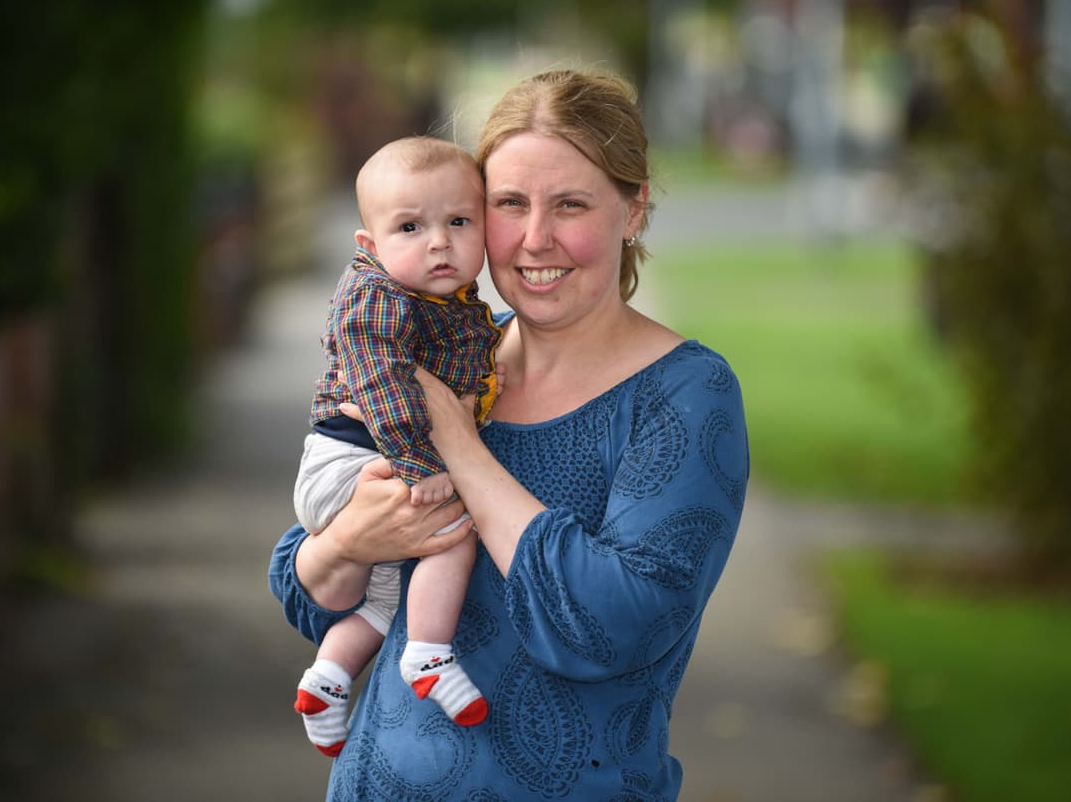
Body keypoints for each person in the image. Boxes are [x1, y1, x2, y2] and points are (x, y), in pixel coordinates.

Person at [270, 69, 749, 799]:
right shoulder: (450, 355)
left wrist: (457, 443)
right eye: (509, 204)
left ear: (634, 209)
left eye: (571, 205)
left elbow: (608, 627)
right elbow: (309, 593)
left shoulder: (685, 395)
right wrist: (345, 544)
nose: (534, 239)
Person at [290, 135, 500, 757]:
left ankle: (326, 684)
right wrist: (418, 462)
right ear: (370, 245)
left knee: (385, 601)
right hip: (355, 461)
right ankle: (430, 654)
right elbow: (381, 381)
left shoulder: (447, 302)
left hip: (364, 465)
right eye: (411, 226)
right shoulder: (375, 298)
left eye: (459, 221)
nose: (439, 241)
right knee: (456, 525)